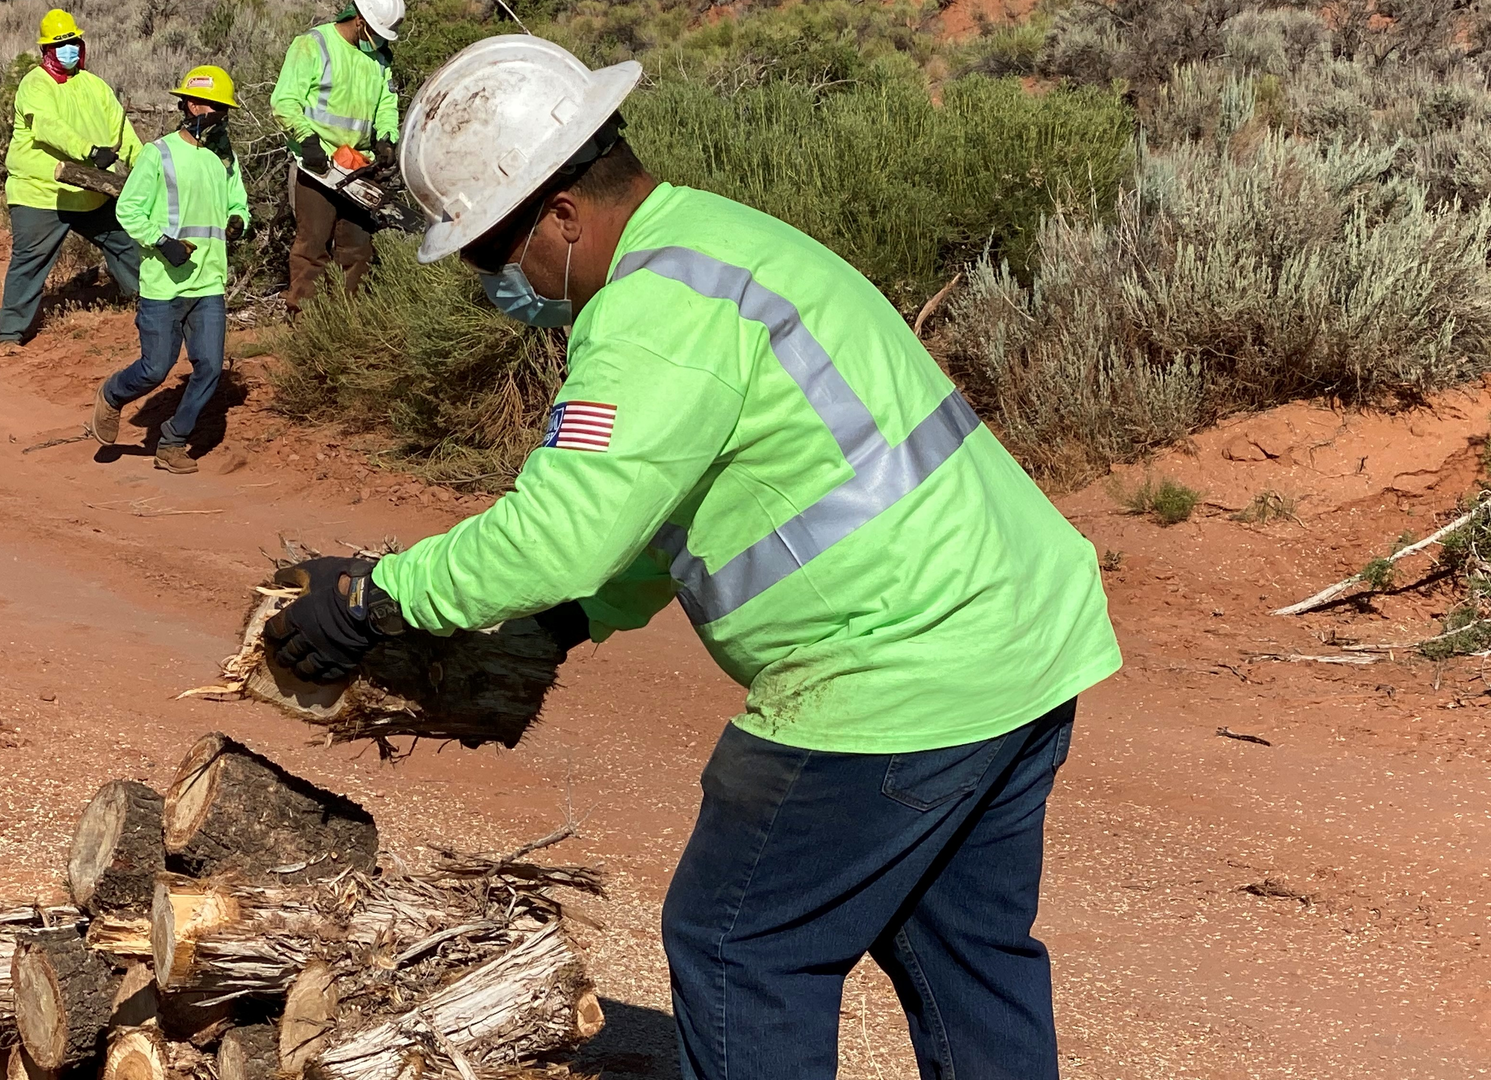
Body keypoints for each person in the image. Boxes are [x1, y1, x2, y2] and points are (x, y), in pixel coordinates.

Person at [261, 35, 1124, 1080]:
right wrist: (573, 621)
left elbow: (557, 531)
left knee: (736, 943)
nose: (494, 281)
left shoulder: (651, 313)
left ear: (563, 217)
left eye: (494, 253)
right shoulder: (715, 242)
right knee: (963, 954)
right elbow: (667, 509)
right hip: (1022, 639)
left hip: (896, 670)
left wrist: (370, 593)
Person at [90, 66, 251, 475]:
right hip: (164, 284)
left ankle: (173, 441)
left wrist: (239, 221)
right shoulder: (157, 154)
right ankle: (111, 395)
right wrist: (163, 243)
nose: (218, 115)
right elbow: (128, 209)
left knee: (210, 367)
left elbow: (239, 205)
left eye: (223, 108)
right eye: (213, 106)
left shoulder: (225, 161)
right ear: (192, 105)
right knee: (155, 369)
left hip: (209, 282)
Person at [0, 8, 144, 346]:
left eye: (74, 42)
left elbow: (126, 134)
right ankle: (9, 335)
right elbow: (48, 127)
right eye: (60, 45)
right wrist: (89, 151)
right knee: (29, 262)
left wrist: (147, 169)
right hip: (40, 192)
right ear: (46, 50)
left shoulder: (95, 86)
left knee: (126, 244)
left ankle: (151, 303)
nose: (69, 50)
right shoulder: (34, 85)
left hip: (89, 192)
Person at [268, 0, 404, 316]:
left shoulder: (379, 59)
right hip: (318, 167)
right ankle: (304, 322)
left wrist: (386, 138)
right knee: (312, 247)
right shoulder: (313, 45)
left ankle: (347, 322)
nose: (379, 40)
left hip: (358, 167)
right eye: (377, 32)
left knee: (357, 250)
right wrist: (306, 139)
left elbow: (386, 104)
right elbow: (284, 101)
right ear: (359, 21)